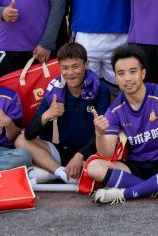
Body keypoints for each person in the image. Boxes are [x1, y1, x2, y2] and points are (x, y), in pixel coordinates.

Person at [85, 45, 158, 204]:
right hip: (134, 166)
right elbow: (106, 152)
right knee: (93, 167)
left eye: (133, 71)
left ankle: (125, 193)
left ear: (143, 73)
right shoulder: (114, 109)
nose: (127, 78)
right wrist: (99, 134)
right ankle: (157, 188)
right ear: (116, 78)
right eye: (121, 73)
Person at [17, 42, 112, 185]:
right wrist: (47, 115)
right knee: (20, 140)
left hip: (91, 152)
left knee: (97, 169)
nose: (70, 73)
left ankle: (58, 173)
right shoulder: (55, 89)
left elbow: (105, 134)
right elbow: (29, 134)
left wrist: (80, 156)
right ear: (59, 67)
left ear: (86, 65)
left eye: (75, 66)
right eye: (65, 68)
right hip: (63, 151)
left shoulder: (100, 89)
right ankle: (62, 173)